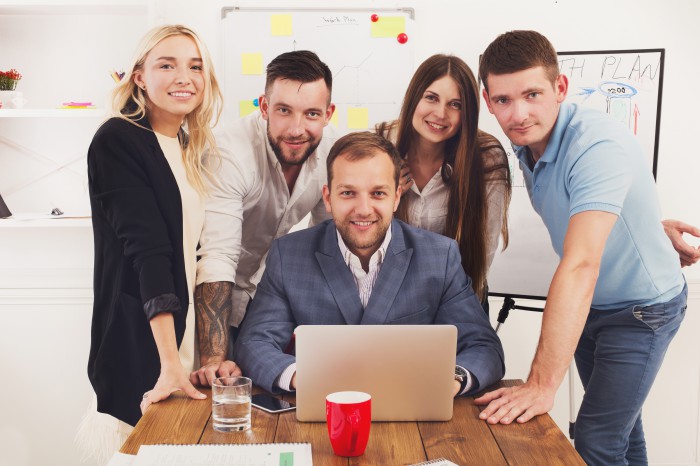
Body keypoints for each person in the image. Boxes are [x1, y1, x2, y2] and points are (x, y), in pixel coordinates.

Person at [473, 30, 687, 465]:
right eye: (503, 100)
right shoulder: (524, 140)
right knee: (623, 437)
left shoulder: (595, 144)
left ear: (561, 88)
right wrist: (648, 227)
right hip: (593, 308)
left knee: (596, 440)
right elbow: (591, 209)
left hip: (641, 312)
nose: (519, 113)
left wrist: (539, 384)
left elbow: (582, 263)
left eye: (533, 94)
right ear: (487, 99)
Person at [234, 131, 505, 396]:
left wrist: (453, 379)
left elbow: (483, 346)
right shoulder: (289, 255)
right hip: (324, 412)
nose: (363, 209)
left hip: (413, 416)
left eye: (377, 194)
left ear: (397, 197)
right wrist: (300, 377)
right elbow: (254, 342)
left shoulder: (440, 256)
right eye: (348, 193)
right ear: (328, 198)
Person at [78, 25, 229, 462]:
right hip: (146, 343)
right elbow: (148, 253)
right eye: (168, 64)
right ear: (140, 76)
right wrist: (169, 362)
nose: (185, 77)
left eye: (195, 66)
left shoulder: (187, 145)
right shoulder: (118, 139)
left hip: (181, 342)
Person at [191, 51, 338, 387]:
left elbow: (327, 240)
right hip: (203, 296)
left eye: (312, 113)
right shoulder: (230, 152)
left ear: (328, 114)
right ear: (264, 106)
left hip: (262, 296)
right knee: (208, 392)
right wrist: (213, 358)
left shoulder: (333, 151)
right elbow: (219, 257)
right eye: (284, 110)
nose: (297, 129)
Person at [376, 54, 511, 312]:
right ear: (414, 97)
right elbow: (357, 237)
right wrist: (385, 199)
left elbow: (484, 252)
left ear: (467, 113)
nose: (440, 114)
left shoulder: (486, 157)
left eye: (455, 104)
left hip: (460, 297)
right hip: (388, 301)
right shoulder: (380, 146)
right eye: (431, 97)